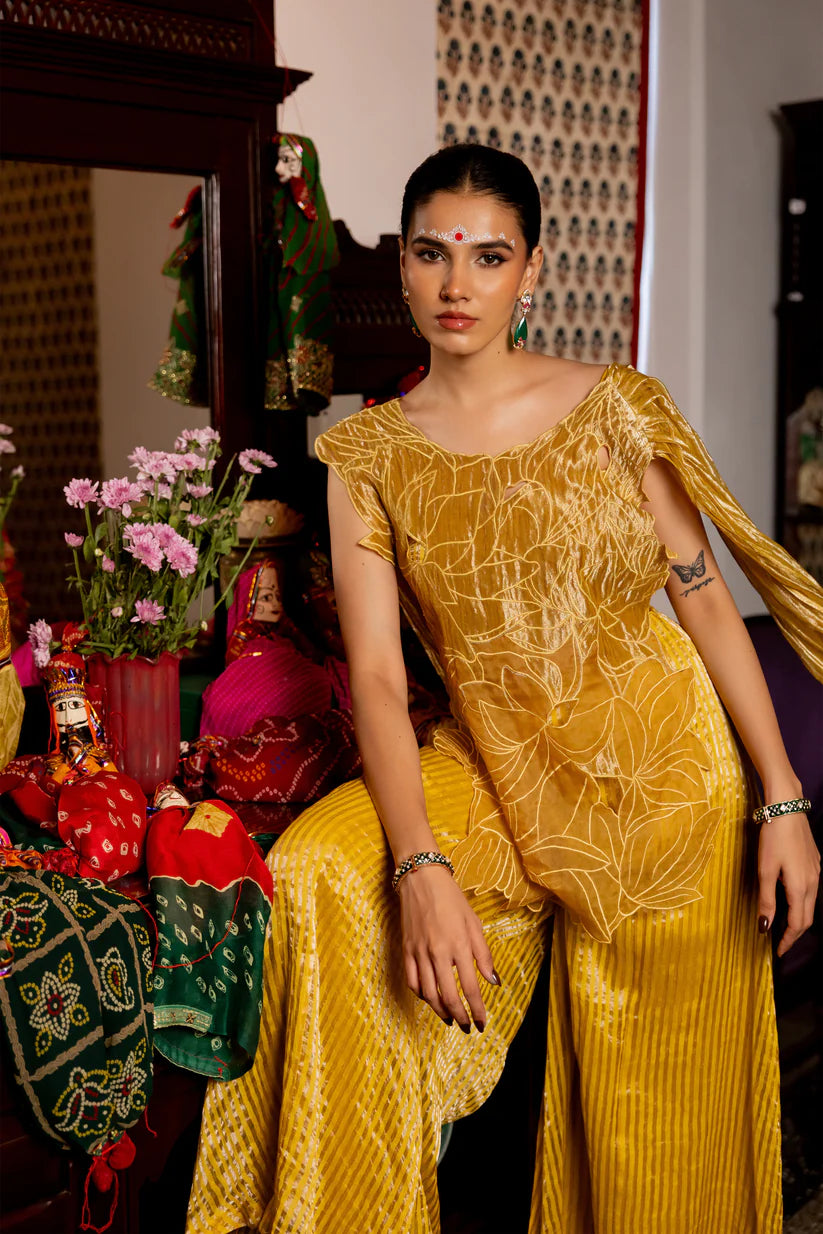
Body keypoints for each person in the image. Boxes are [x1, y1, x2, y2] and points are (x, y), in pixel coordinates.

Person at [186, 145, 822, 1233]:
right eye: (432, 252)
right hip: (493, 765)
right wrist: (418, 865)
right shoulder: (366, 455)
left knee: (658, 1144)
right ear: (403, 267)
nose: (456, 283)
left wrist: (782, 795)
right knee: (321, 868)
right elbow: (377, 675)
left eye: (488, 256)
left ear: (531, 269)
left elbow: (704, 598)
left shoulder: (616, 406)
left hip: (659, 784)